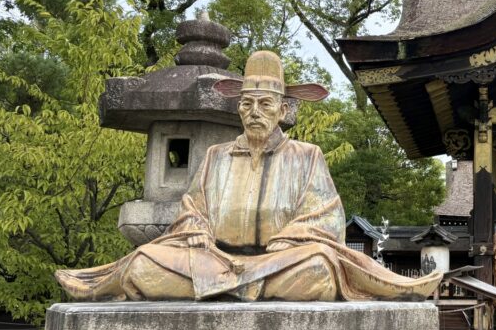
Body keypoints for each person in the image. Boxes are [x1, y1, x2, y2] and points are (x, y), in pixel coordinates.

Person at [55, 51, 442, 302]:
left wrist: (289, 239)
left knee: (320, 268)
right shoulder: (215, 156)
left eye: (265, 104)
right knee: (143, 263)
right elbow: (192, 208)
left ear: (282, 110)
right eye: (247, 104)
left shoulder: (307, 157)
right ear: (239, 109)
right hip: (213, 259)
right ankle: (239, 287)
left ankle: (234, 287)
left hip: (281, 262)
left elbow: (325, 217)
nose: (254, 112)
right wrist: (196, 230)